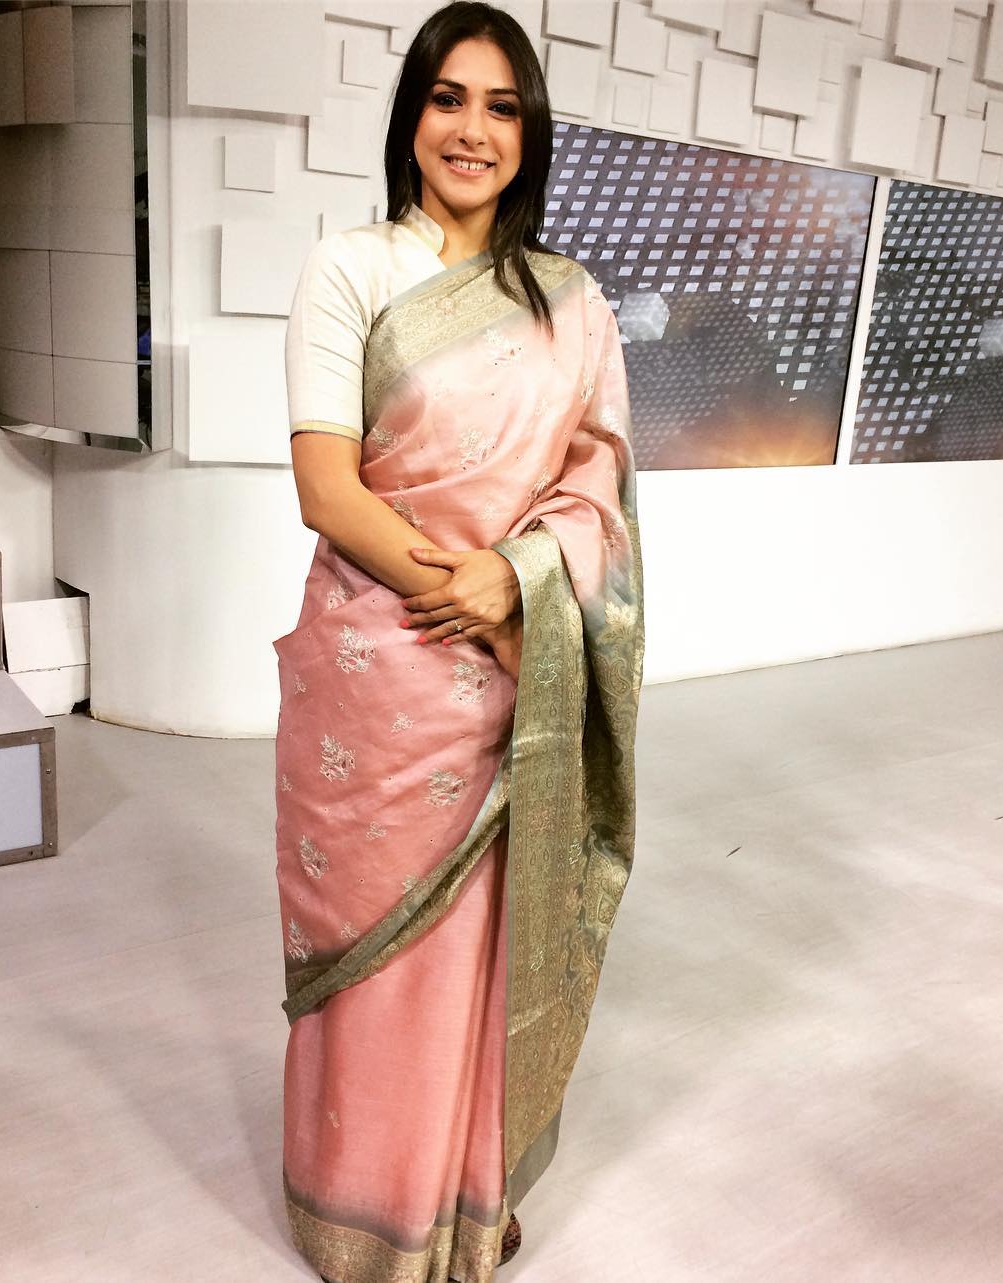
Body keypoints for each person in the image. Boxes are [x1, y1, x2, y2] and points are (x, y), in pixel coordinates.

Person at [273, 4, 644, 1279]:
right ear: (411, 117)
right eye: (446, 98)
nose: (472, 129)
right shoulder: (350, 268)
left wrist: (517, 581)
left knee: (487, 951)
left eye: (501, 105)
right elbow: (328, 490)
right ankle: (364, 1209)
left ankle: (468, 1200)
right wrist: (468, 587)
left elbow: (597, 483)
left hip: (516, 672)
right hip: (376, 677)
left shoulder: (570, 303)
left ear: (530, 134)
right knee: (378, 957)